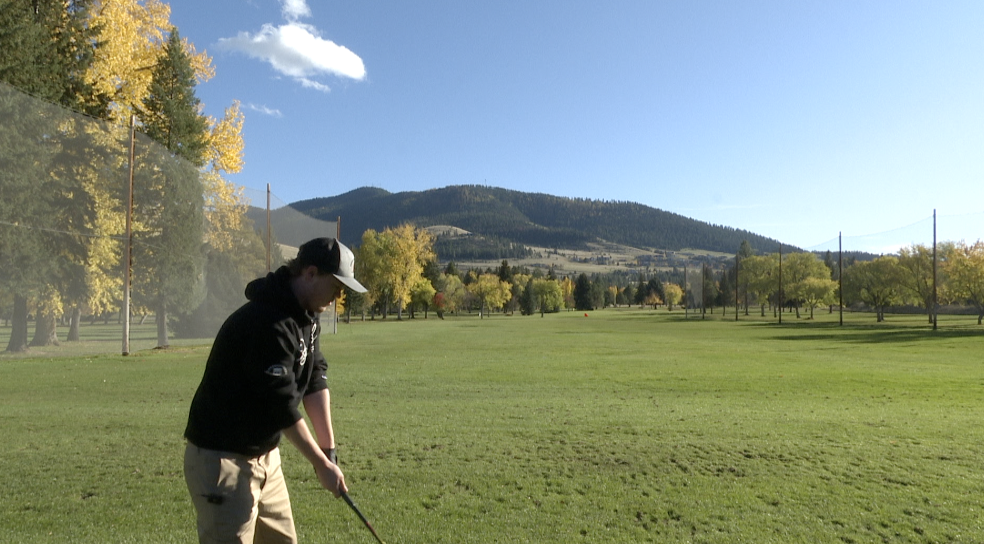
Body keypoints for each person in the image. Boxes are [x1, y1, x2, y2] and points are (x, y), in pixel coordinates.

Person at [183, 237, 368, 544]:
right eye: (336, 286)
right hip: (223, 461)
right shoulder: (268, 323)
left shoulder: (307, 318)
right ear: (310, 274)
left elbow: (314, 381)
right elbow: (280, 405)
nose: (339, 295)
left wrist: (329, 451)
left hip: (266, 458)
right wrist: (321, 466)